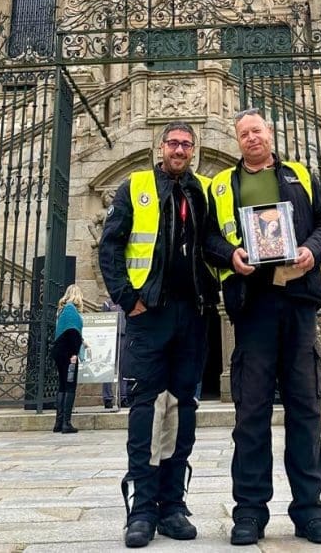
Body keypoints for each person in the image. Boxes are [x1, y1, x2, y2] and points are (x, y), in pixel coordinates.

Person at [206, 108, 321, 546]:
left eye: (257, 130)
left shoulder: (300, 175)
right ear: (237, 140)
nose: (251, 138)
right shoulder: (221, 185)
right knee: (251, 413)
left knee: (305, 409)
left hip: (297, 302)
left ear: (270, 133)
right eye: (243, 133)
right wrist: (230, 255)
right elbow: (208, 238)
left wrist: (311, 250)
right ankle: (249, 512)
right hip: (252, 306)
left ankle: (310, 511)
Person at [99, 121, 217, 548]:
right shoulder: (135, 186)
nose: (180, 150)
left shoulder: (204, 189)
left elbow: (218, 240)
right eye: (173, 143)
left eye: (186, 144)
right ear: (161, 146)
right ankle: (143, 508)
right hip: (150, 314)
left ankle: (172, 505)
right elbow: (111, 246)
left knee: (183, 407)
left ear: (194, 150)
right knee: (147, 408)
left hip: (193, 312)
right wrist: (126, 298)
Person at [51, 283, 87, 435]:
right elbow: (72, 332)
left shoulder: (63, 310)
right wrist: (74, 353)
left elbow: (66, 331)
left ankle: (58, 423)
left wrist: (82, 341)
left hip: (60, 351)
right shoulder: (71, 310)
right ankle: (66, 423)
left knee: (62, 386)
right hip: (68, 353)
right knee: (70, 386)